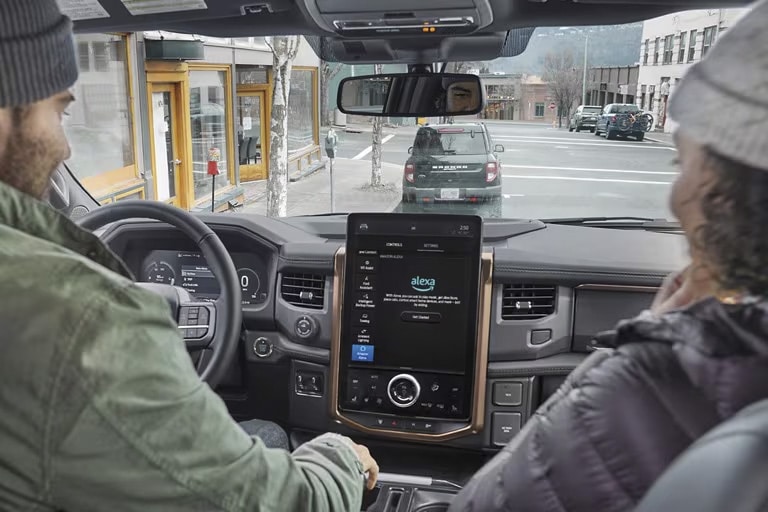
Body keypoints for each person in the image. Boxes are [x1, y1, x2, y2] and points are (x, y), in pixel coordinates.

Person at [0, 1, 378, 510]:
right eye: (59, 111)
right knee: (268, 434)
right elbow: (279, 501)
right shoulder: (81, 318)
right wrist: (343, 454)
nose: (66, 147)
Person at [449, 1, 768, 511]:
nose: (674, 197)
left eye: (681, 163)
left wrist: (633, 350)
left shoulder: (653, 384)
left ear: (725, 192)